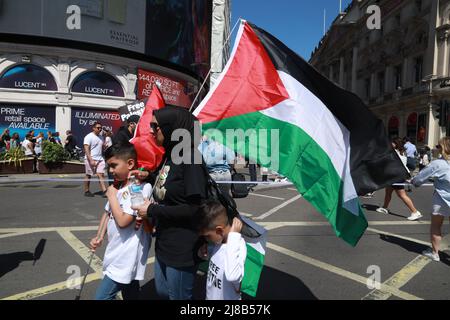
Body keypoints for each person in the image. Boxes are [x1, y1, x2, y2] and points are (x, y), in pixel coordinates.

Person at [132, 106, 207, 300]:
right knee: (163, 293)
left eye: (155, 126)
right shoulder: (171, 154)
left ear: (171, 128)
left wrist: (152, 210)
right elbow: (170, 183)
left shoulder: (191, 158)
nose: (151, 130)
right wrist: (149, 176)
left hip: (182, 247)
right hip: (165, 242)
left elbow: (195, 209)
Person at [90, 143, 152, 299]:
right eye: (108, 166)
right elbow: (107, 213)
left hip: (126, 255)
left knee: (102, 297)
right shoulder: (118, 187)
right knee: (131, 293)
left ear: (130, 163)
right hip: (115, 250)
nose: (110, 171)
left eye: (114, 165)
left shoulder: (141, 188)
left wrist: (111, 195)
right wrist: (99, 236)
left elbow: (124, 221)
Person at [196, 200, 247, 300]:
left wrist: (233, 236)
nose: (206, 240)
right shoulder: (218, 242)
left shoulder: (238, 245)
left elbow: (232, 276)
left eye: (207, 236)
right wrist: (202, 252)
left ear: (219, 230)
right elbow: (215, 259)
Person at [412, 137, 450, 262]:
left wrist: (413, 182)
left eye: (438, 146)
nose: (435, 148)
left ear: (443, 148)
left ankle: (435, 253)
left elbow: (419, 179)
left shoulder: (438, 163)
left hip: (441, 199)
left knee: (436, 226)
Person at [376, 137, 422, 221]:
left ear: (396, 144)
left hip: (396, 176)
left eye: (392, 143)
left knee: (402, 195)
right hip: (396, 175)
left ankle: (415, 212)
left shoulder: (394, 153)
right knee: (388, 192)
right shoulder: (402, 152)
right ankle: (385, 207)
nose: (390, 144)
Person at [83, 122, 107, 197]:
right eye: (98, 128)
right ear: (93, 128)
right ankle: (87, 191)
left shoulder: (101, 137)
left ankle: (104, 191)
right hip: (90, 158)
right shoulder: (89, 137)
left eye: (101, 128)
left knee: (101, 174)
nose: (100, 129)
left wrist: (105, 144)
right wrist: (90, 159)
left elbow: (102, 147)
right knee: (88, 175)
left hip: (100, 159)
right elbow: (86, 149)